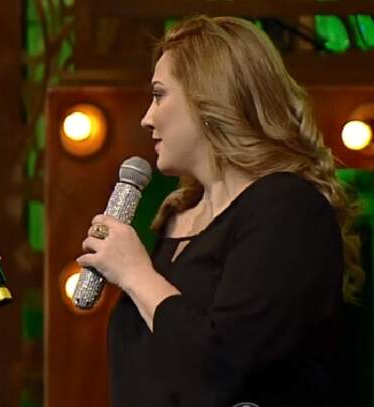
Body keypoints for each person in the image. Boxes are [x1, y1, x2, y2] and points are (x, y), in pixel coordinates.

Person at [76, 15, 364, 407]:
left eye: (159, 95)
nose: (146, 118)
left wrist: (136, 274)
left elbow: (221, 366)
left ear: (209, 100)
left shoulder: (287, 207)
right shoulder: (175, 220)